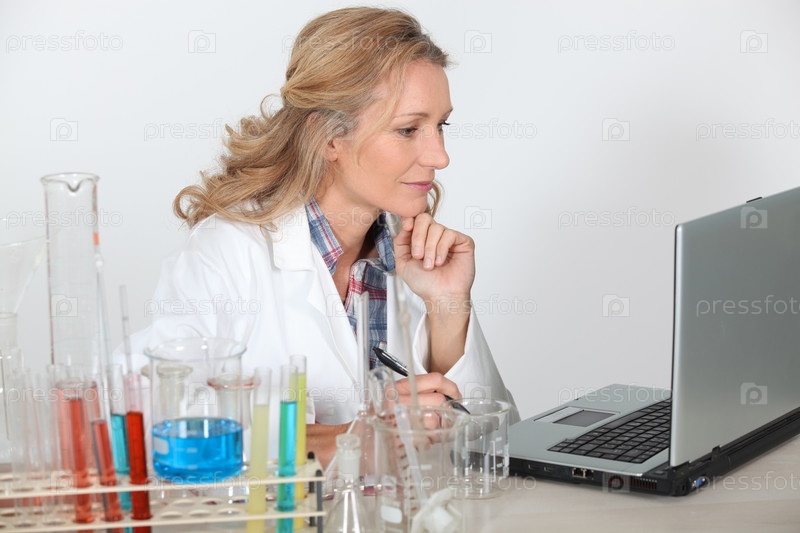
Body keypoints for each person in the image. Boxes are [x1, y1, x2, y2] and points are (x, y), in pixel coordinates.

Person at [129, 6, 516, 466]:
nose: (440, 156)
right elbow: (156, 412)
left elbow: (499, 446)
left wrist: (448, 307)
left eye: (441, 126)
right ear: (329, 138)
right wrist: (348, 438)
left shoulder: (417, 255)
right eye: (408, 129)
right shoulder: (229, 250)